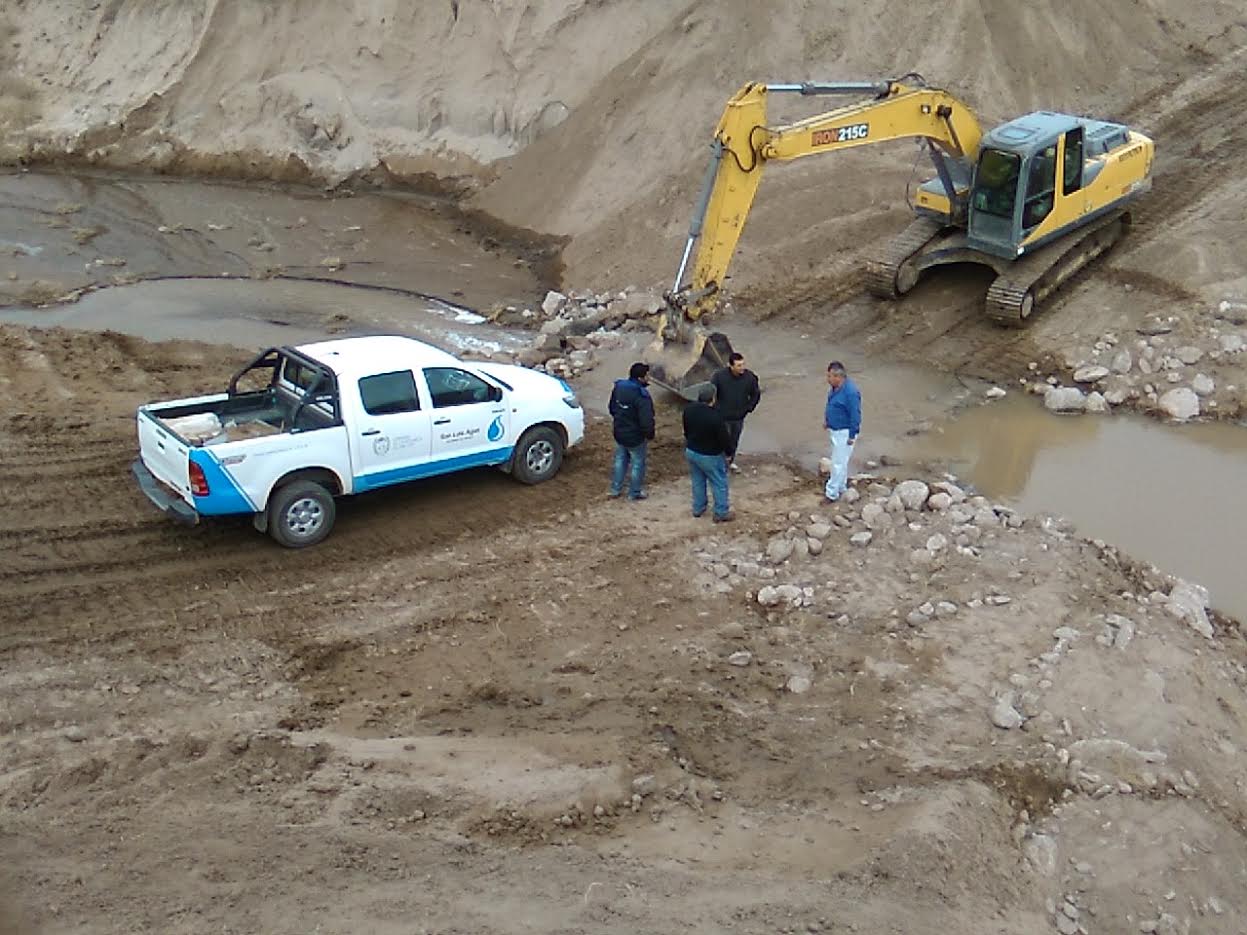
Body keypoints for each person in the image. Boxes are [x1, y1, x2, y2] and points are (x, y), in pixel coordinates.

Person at [682, 384, 733, 522]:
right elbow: (724, 439)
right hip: (710, 455)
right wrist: (729, 454)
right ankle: (721, 512)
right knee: (719, 482)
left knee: (698, 480)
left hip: (692, 451)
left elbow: (686, 430)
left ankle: (698, 508)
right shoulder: (716, 417)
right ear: (713, 398)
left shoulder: (688, 410)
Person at [608, 362, 655, 501]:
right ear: (641, 378)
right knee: (637, 463)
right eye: (647, 375)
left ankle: (615, 489)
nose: (649, 378)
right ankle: (634, 492)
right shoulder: (642, 395)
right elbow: (646, 419)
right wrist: (649, 434)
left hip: (619, 431)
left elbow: (612, 408)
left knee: (620, 460)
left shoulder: (619, 387)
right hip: (635, 436)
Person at [710, 351, 762, 474]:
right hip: (722, 416)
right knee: (722, 441)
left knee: (734, 440)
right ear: (731, 365)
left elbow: (756, 394)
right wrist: (712, 409)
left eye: (743, 364)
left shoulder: (750, 377)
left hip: (739, 417)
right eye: (739, 365)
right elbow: (710, 392)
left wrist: (749, 408)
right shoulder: (719, 376)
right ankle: (719, 465)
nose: (742, 368)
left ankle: (730, 462)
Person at [823, 360, 861, 502]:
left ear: (838, 377)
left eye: (830, 377)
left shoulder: (851, 393)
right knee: (841, 461)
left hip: (844, 433)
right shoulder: (835, 389)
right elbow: (832, 405)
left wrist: (852, 434)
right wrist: (827, 421)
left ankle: (831, 493)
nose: (828, 379)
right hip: (835, 429)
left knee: (837, 463)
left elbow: (855, 414)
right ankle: (841, 487)